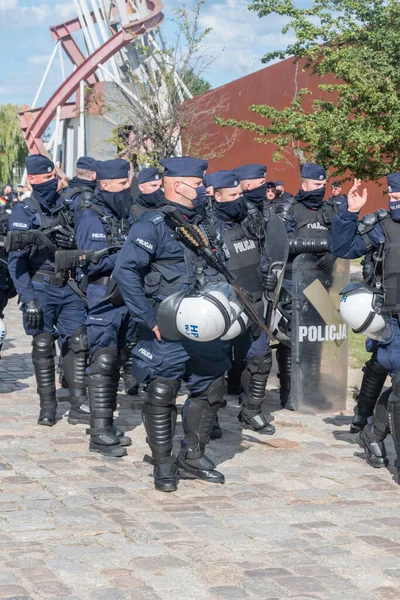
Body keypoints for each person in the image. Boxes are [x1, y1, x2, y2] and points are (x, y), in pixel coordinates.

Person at [114, 156, 231, 492]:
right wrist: (147, 319)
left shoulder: (204, 222)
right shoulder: (152, 225)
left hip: (205, 325)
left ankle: (192, 456)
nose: (203, 190)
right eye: (198, 184)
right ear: (179, 185)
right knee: (162, 392)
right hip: (165, 325)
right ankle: (163, 463)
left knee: (211, 386)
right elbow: (125, 271)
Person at [8, 154, 88, 427]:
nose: (53, 183)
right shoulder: (23, 211)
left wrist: (74, 240)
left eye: (54, 177)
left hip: (69, 285)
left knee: (77, 344)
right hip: (40, 287)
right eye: (47, 179)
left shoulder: (68, 205)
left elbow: (85, 245)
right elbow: (15, 262)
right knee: (43, 345)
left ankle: (78, 404)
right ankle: (48, 407)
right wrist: (28, 300)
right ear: (32, 180)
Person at [329, 174, 400, 469]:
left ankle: (372, 433)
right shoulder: (382, 227)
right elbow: (342, 249)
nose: (395, 202)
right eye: (394, 197)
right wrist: (349, 212)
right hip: (394, 320)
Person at [74, 158, 134, 458]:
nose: (127, 189)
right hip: (103, 292)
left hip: (124, 294)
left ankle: (107, 425)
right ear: (105, 184)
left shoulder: (122, 215)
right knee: (103, 362)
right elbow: (93, 260)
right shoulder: (91, 215)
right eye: (122, 184)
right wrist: (129, 252)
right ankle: (98, 432)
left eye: (129, 183)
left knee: (116, 360)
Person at [210, 170, 275, 434]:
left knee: (261, 358)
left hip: (255, 300)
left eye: (240, 194)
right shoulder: (209, 227)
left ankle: (251, 411)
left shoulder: (249, 221)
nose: (239, 199)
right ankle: (209, 417)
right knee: (215, 364)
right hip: (224, 306)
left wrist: (268, 273)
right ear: (217, 196)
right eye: (233, 195)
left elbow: (263, 252)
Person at [275, 163, 338, 410]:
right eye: (316, 185)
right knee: (291, 338)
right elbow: (283, 243)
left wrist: (334, 252)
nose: (320, 189)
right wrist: (321, 244)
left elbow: (342, 238)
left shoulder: (329, 210)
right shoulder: (290, 208)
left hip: (320, 281)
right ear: (304, 185)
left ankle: (311, 389)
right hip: (293, 281)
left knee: (315, 337)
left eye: (323, 185)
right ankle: (289, 392)